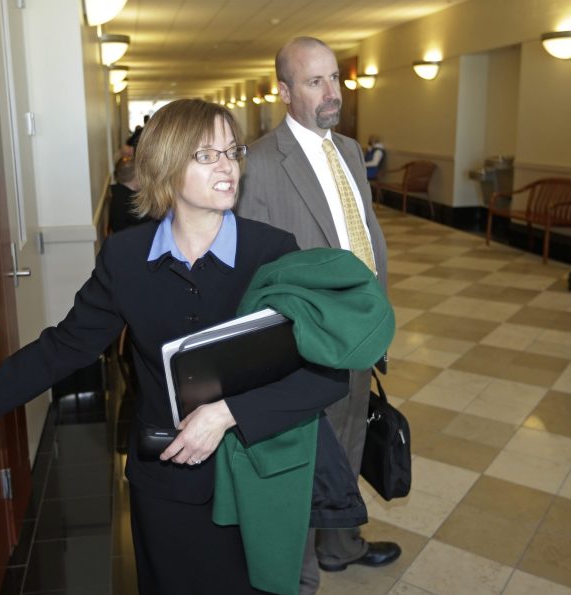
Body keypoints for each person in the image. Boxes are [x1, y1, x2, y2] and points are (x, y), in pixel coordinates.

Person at [0, 98, 353, 594]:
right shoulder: (127, 257)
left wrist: (230, 414)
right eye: (206, 155)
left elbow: (325, 374)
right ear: (164, 165)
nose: (228, 166)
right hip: (167, 481)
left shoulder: (274, 251)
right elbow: (64, 348)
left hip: (256, 478)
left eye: (232, 151)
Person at [237, 37, 400, 594]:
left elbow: (364, 234)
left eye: (335, 78)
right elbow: (254, 272)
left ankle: (340, 542)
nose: (332, 93)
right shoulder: (258, 164)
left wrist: (377, 310)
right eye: (315, 82)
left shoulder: (350, 150)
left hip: (356, 329)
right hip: (305, 341)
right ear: (283, 92)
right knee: (310, 452)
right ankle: (299, 571)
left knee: (351, 433)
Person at [108, 155, 149, 233]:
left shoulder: (119, 190)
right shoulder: (126, 200)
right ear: (136, 178)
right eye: (142, 175)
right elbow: (147, 220)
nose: (145, 179)